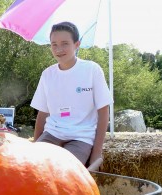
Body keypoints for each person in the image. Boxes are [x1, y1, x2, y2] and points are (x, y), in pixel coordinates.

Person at [30, 21, 113, 166]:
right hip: (52, 134)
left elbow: (104, 111)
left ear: (77, 44)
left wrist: (96, 152)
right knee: (34, 166)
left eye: (65, 43)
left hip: (81, 137)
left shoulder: (92, 70)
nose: (59, 49)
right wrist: (34, 146)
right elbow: (42, 114)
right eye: (54, 44)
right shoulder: (47, 74)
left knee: (65, 171)